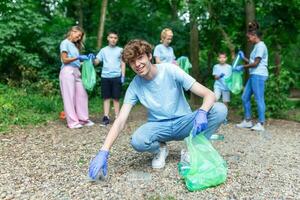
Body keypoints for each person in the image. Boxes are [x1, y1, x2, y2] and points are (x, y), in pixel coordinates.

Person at [88, 39, 227, 180]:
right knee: (138, 140)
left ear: (149, 56)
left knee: (220, 109)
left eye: (140, 57)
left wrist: (202, 112)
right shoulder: (135, 85)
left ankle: (194, 148)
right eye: (132, 62)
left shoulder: (170, 70)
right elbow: (120, 120)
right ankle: (160, 149)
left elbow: (209, 94)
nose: (137, 64)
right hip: (160, 127)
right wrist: (103, 151)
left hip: (184, 122)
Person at [59, 26, 94, 129]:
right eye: (78, 35)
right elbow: (64, 60)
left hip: (76, 71)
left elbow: (77, 62)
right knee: (69, 97)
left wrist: (87, 59)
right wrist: (78, 57)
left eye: (80, 37)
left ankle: (83, 119)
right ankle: (73, 122)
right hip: (67, 71)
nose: (78, 38)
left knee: (82, 95)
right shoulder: (64, 43)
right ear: (72, 31)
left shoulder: (74, 46)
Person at [235, 21, 268, 131]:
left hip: (259, 75)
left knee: (259, 99)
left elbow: (256, 64)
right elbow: (252, 61)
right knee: (245, 97)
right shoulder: (256, 46)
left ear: (254, 36)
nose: (248, 40)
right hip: (254, 75)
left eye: (249, 37)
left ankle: (261, 123)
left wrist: (242, 67)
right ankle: (248, 121)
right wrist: (243, 57)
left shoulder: (260, 46)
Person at [94, 31, 126, 126]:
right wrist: (91, 60)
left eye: (115, 38)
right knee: (106, 97)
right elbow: (97, 61)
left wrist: (123, 76)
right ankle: (106, 117)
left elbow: (123, 63)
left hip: (116, 77)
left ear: (117, 39)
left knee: (116, 98)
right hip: (105, 77)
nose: (113, 39)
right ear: (108, 38)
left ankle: (117, 117)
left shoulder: (120, 50)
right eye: (111, 37)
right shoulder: (103, 50)